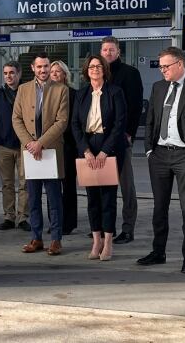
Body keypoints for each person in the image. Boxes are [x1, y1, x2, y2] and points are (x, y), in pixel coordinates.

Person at [138, 46, 185, 274]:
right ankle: (158, 252)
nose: (162, 71)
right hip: (159, 154)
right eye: (160, 66)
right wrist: (149, 150)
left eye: (166, 66)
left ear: (180, 64)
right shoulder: (158, 87)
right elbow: (150, 120)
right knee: (159, 208)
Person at [11, 52, 69, 256]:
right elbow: (16, 119)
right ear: (33, 69)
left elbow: (62, 121)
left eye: (46, 67)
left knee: (54, 199)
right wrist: (29, 143)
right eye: (40, 67)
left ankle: (56, 239)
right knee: (32, 198)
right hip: (29, 153)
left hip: (51, 152)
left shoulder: (61, 90)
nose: (43, 70)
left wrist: (40, 143)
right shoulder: (23, 89)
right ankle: (36, 238)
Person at [71, 55, 127, 261]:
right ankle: (96, 240)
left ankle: (109, 241)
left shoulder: (115, 92)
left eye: (98, 66)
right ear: (86, 70)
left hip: (108, 147)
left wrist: (105, 151)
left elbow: (120, 124)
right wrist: (85, 150)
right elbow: (75, 124)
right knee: (92, 198)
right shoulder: (81, 94)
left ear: (104, 69)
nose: (95, 69)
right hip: (87, 147)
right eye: (91, 66)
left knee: (108, 198)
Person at [100, 36, 143, 245]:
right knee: (103, 185)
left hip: (121, 138)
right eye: (104, 50)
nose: (108, 53)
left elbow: (135, 106)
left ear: (118, 52)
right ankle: (105, 226)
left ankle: (128, 229)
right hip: (100, 141)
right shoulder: (98, 75)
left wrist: (129, 133)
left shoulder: (130, 73)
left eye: (111, 50)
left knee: (126, 185)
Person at [0, 61, 30, 231]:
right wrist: (0, 131)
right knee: (7, 183)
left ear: (19, 74)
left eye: (12, 73)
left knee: (25, 184)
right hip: (4, 146)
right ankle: (9, 216)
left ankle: (22, 218)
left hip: (24, 145)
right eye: (5, 73)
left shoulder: (27, 92)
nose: (8, 76)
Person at [49, 60, 78, 234]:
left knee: (68, 187)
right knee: (51, 186)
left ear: (65, 75)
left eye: (58, 72)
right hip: (50, 146)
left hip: (68, 146)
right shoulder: (44, 93)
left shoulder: (74, 94)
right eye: (52, 72)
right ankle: (54, 223)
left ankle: (68, 223)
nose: (54, 74)